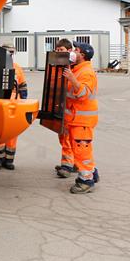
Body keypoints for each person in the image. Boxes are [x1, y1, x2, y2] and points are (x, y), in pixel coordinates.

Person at [63, 41, 100, 193]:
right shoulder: (77, 69)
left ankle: (86, 181)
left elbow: (84, 94)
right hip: (75, 119)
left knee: (82, 151)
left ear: (82, 55)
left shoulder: (86, 72)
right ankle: (92, 172)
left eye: (76, 50)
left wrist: (72, 79)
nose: (72, 52)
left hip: (82, 121)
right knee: (80, 149)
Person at [0, 44, 28, 170]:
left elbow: (23, 86)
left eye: (12, 52)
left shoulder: (17, 68)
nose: (11, 55)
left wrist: (23, 101)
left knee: (12, 134)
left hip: (14, 105)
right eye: (8, 52)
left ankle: (9, 160)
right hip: (0, 104)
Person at [53, 38, 77, 178]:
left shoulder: (73, 65)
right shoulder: (60, 65)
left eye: (61, 50)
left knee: (67, 138)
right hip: (63, 108)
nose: (58, 53)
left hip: (71, 111)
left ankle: (67, 166)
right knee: (63, 137)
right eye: (57, 50)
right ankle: (72, 163)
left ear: (69, 51)